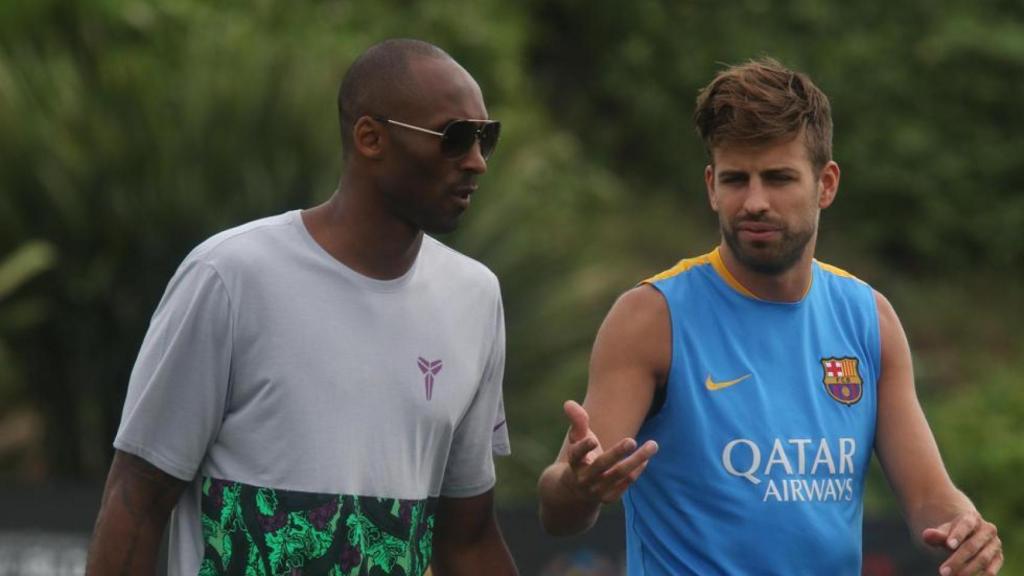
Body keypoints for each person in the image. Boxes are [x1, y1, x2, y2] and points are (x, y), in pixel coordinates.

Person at [537, 58, 1002, 575]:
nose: (754, 201)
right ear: (712, 186)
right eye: (737, 179)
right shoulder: (652, 318)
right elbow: (558, 512)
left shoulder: (868, 319)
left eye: (779, 178)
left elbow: (930, 500)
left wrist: (966, 528)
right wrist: (577, 487)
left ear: (826, 184)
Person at [86, 39, 517, 576]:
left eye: (486, 137)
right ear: (370, 138)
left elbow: (468, 539)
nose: (476, 161)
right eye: (454, 137)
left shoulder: (474, 297)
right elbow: (137, 499)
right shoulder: (230, 275)